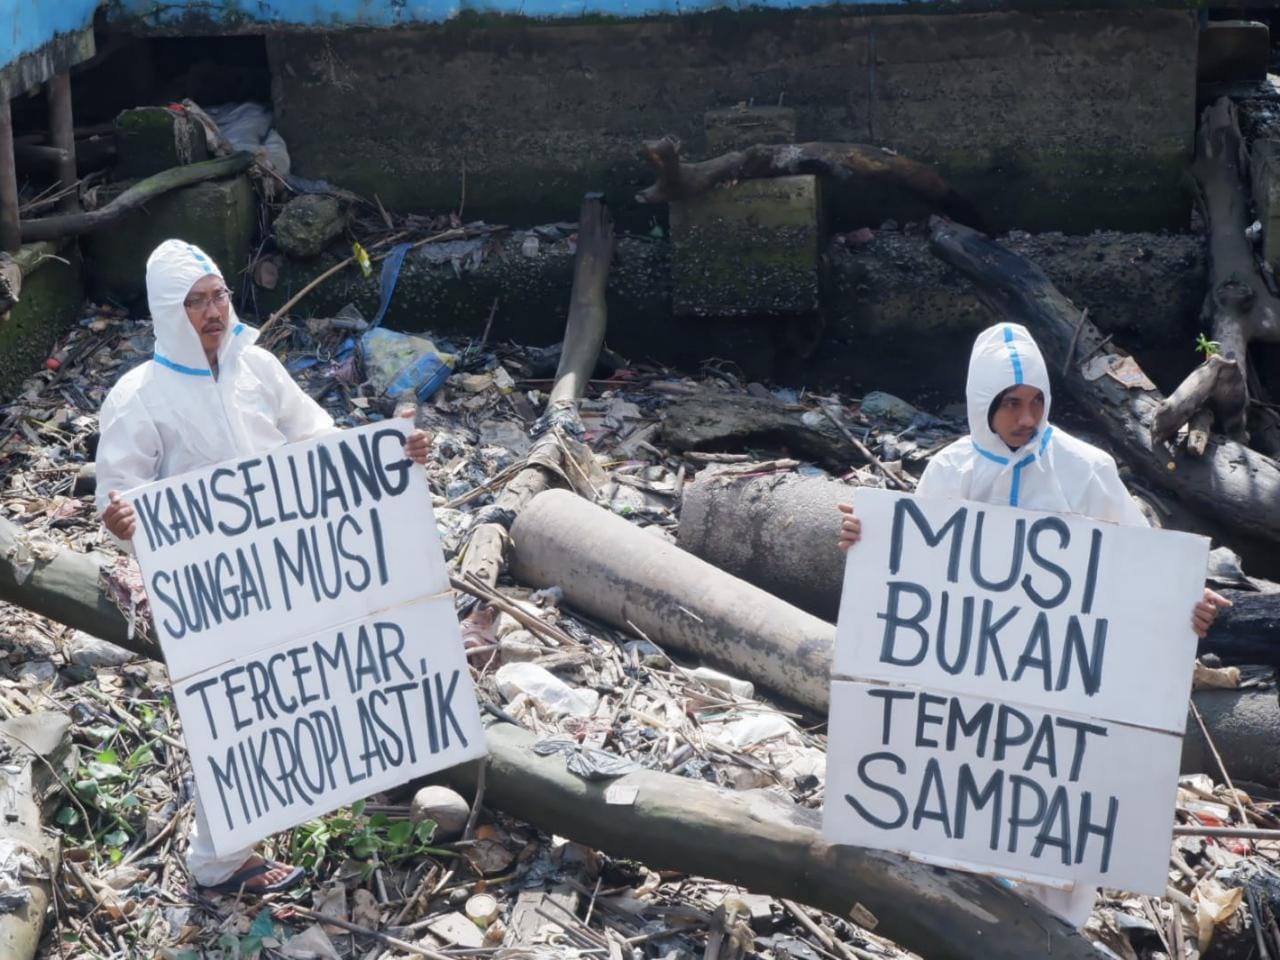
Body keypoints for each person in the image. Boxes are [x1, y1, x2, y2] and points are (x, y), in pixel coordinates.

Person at [835, 321, 1230, 925]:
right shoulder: (950, 472)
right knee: (960, 815)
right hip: (967, 693)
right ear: (981, 406)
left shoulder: (1087, 469)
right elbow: (911, 567)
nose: (1026, 417)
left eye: (1036, 402)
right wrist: (868, 539)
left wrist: (1188, 605)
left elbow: (1140, 560)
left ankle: (1053, 937)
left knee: (1051, 824)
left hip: (1059, 695)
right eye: (1011, 404)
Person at [94, 239, 432, 895]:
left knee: (308, 684)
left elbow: (319, 446)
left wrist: (392, 455)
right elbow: (120, 496)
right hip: (211, 592)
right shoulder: (138, 397)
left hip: (289, 570)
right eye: (195, 301)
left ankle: (330, 792)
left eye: (219, 294)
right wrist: (121, 526)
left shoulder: (260, 369)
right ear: (170, 312)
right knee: (233, 714)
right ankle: (220, 858)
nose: (213, 310)